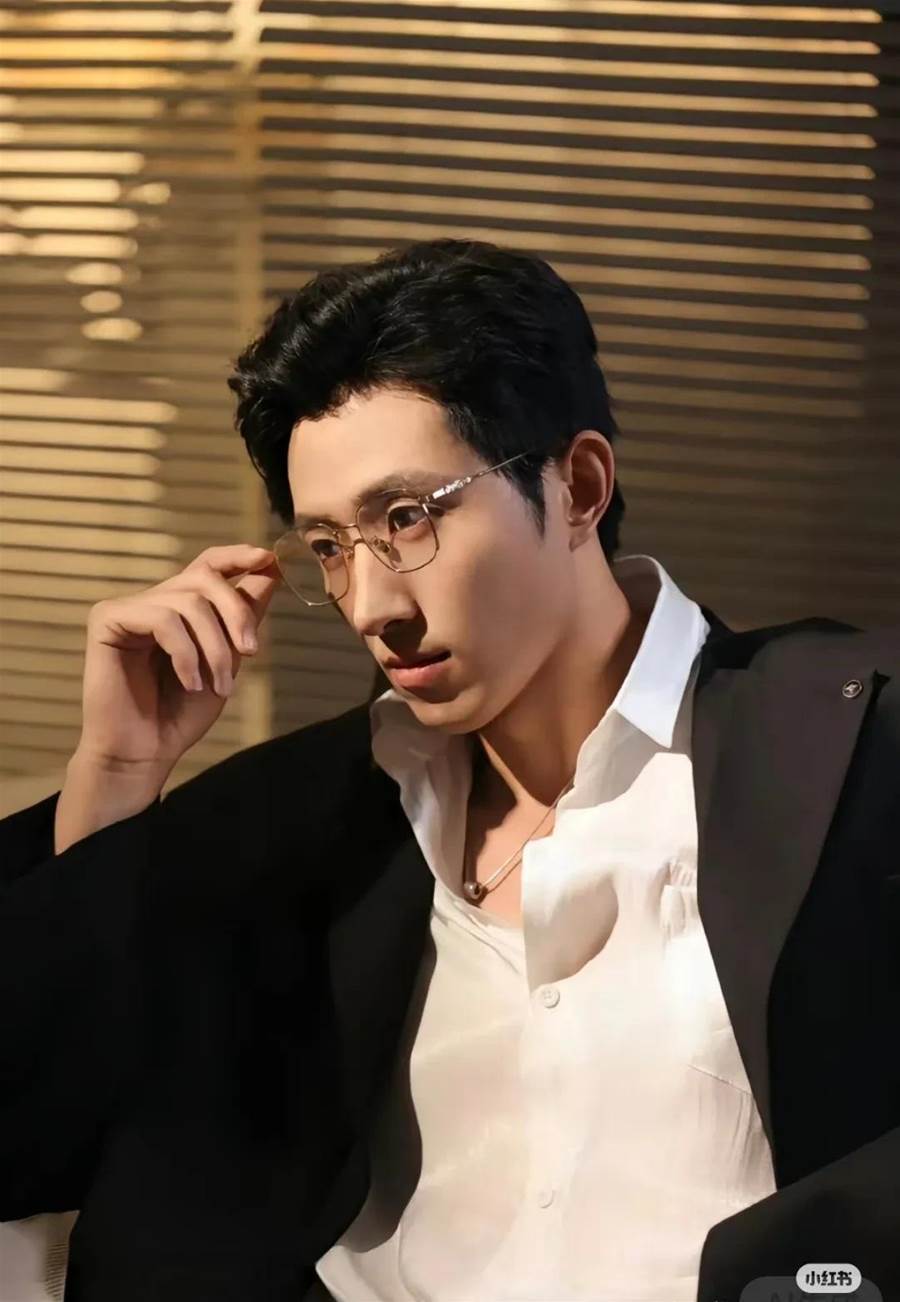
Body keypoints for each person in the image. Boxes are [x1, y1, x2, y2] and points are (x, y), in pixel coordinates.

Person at [1, 237, 898, 1302]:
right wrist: (117, 772)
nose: (372, 605)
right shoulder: (305, 823)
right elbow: (33, 1130)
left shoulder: (848, 748)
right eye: (329, 546)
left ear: (577, 487)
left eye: (407, 519)